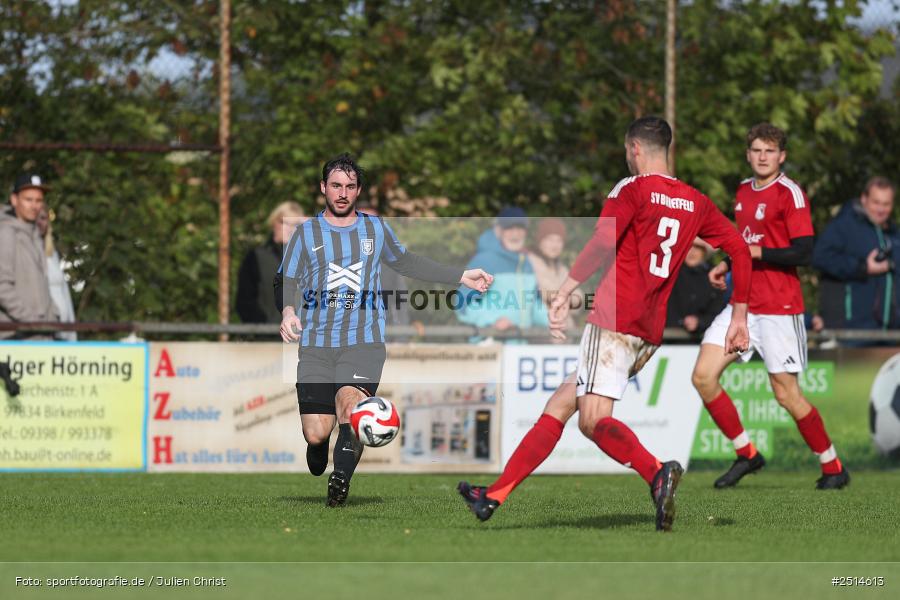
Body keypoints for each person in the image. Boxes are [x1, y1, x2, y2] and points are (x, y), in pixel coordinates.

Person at [458, 117, 752, 531]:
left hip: (614, 321)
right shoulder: (695, 201)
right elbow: (740, 248)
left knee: (592, 420)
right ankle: (494, 495)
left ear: (634, 149)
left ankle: (656, 472)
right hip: (649, 332)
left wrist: (563, 291)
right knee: (561, 403)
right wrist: (738, 316)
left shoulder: (630, 189)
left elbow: (601, 241)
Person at [275, 153, 492, 507]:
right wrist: (287, 310)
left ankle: (340, 480)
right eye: (335, 186)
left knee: (351, 407)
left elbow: (407, 262)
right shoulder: (305, 234)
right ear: (323, 189)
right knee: (316, 433)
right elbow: (286, 277)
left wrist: (460, 276)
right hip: (315, 343)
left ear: (358, 190)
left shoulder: (375, 230)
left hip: (364, 341)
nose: (342, 193)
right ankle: (317, 450)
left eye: (349, 186)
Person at [692, 123, 849, 490]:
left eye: (770, 151)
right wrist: (728, 263)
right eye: (757, 150)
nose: (763, 157)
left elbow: (805, 252)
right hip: (742, 304)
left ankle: (832, 466)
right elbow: (745, 241)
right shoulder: (744, 190)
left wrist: (756, 252)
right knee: (702, 376)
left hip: (780, 307)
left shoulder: (790, 194)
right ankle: (747, 453)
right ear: (748, 154)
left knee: (785, 395)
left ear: (782, 156)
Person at [812, 177, 899, 333]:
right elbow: (819, 256)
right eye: (876, 202)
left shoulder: (894, 235)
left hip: (890, 334)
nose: (881, 209)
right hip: (851, 333)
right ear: (864, 199)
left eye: (886, 204)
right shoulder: (844, 225)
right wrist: (863, 267)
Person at [456, 207, 549, 340]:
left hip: (520, 348)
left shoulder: (527, 262)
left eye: (520, 228)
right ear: (499, 231)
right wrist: (494, 320)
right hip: (489, 347)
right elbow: (462, 303)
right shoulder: (485, 260)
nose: (515, 234)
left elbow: (534, 305)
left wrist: (553, 320)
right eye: (509, 228)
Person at [0, 174, 59, 339]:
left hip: (40, 335)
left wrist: (53, 316)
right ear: (14, 200)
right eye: (28, 199)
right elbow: (2, 287)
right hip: (16, 336)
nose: (34, 206)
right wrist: (31, 321)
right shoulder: (5, 233)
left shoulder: (35, 234)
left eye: (39, 200)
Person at [236, 202, 307, 324]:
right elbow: (244, 301)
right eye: (285, 222)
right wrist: (263, 327)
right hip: (266, 337)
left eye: (296, 224)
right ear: (274, 223)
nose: (290, 229)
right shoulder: (256, 257)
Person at [527, 217, 583, 333]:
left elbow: (580, 298)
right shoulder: (530, 262)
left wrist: (563, 300)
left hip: (565, 330)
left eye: (559, 241)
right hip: (540, 331)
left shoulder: (561, 268)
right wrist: (567, 299)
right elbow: (546, 292)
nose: (555, 245)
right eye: (550, 239)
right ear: (540, 241)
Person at [665, 238, 726, 338]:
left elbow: (718, 312)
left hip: (697, 341)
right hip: (665, 338)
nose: (692, 251)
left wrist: (699, 322)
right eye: (688, 247)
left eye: (697, 248)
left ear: (705, 252)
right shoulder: (669, 272)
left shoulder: (715, 277)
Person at [36, 206, 77, 341]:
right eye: (36, 217)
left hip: (62, 331)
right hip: (41, 331)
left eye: (43, 218)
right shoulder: (23, 252)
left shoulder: (52, 253)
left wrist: (72, 333)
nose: (39, 222)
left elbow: (63, 293)